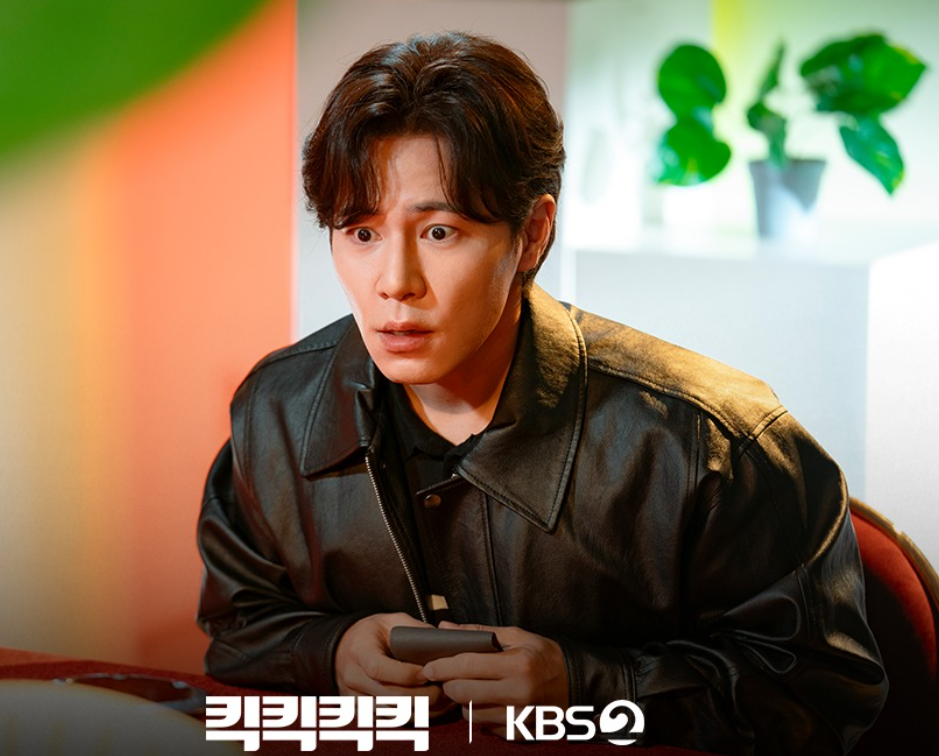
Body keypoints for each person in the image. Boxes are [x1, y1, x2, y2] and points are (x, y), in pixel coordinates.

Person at [196, 31, 887, 754]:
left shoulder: (714, 444)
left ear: (530, 234)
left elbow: (819, 697)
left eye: (439, 231)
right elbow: (237, 630)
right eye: (361, 233)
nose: (394, 283)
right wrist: (331, 652)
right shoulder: (277, 411)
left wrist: (588, 691)